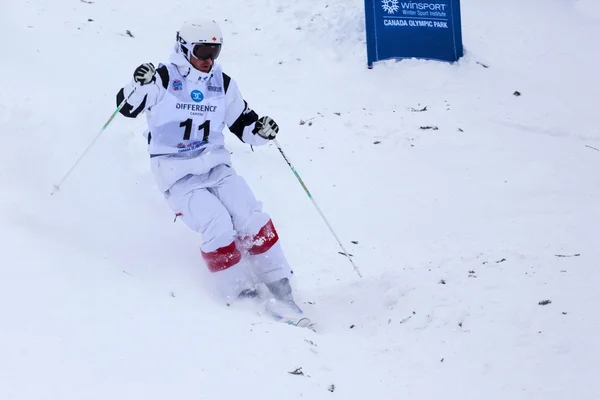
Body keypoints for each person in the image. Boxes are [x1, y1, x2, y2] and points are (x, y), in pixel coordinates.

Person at [116, 18, 301, 314]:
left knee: (249, 214)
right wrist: (138, 83)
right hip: (177, 173)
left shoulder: (222, 83)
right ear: (184, 48)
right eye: (201, 51)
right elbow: (127, 107)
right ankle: (241, 294)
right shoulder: (162, 78)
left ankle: (280, 284)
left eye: (214, 51)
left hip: (216, 166)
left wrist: (262, 131)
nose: (207, 59)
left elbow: (243, 123)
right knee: (217, 223)